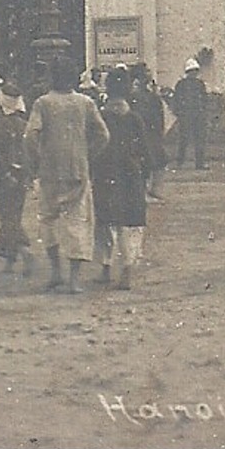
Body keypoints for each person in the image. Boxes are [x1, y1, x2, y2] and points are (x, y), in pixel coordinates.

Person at [27, 56, 107, 293]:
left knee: (48, 219)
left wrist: (38, 157)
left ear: (52, 77)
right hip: (78, 169)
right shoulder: (85, 103)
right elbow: (103, 135)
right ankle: (74, 279)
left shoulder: (43, 103)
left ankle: (56, 272)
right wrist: (88, 154)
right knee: (78, 221)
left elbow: (30, 135)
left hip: (50, 170)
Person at [92, 66, 147, 290]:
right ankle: (127, 270)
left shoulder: (101, 116)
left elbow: (93, 145)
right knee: (130, 223)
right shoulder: (134, 119)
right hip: (130, 176)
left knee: (105, 221)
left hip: (105, 174)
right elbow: (145, 150)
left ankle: (105, 267)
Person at [0, 82, 34, 276]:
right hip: (21, 176)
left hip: (5, 175)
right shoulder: (25, 125)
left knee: (7, 217)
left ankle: (24, 251)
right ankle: (10, 259)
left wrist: (3, 171)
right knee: (14, 214)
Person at [131, 63, 170, 202]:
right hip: (143, 133)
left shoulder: (150, 94)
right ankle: (143, 192)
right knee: (144, 162)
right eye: (146, 72)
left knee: (160, 160)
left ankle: (154, 190)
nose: (149, 73)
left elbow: (158, 114)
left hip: (153, 133)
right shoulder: (135, 95)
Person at [170, 58, 211, 171]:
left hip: (198, 114)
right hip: (186, 115)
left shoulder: (200, 84)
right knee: (184, 139)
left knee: (200, 139)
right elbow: (177, 100)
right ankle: (180, 162)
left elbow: (204, 99)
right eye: (192, 71)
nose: (194, 73)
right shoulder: (181, 84)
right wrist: (179, 113)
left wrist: (203, 110)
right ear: (188, 72)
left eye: (195, 71)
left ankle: (200, 163)